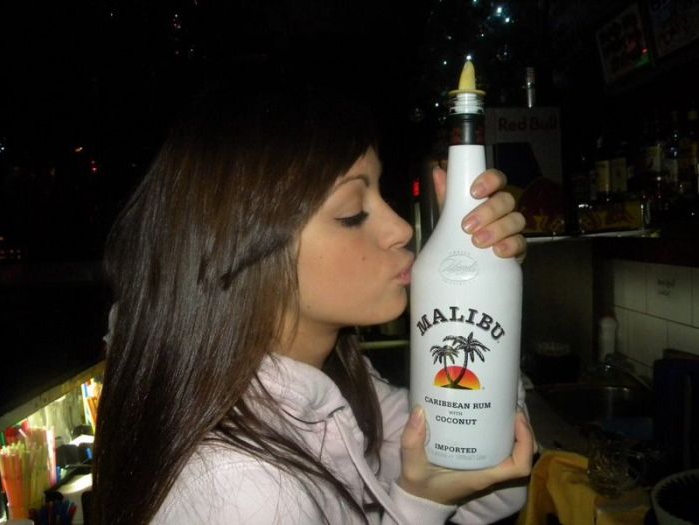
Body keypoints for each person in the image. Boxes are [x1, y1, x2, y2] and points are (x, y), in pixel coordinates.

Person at [91, 84, 534, 524]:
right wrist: (418, 505)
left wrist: (488, 290)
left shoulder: (334, 385)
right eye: (352, 212)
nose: (401, 229)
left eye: (381, 194)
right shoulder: (243, 492)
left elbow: (485, 486)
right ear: (240, 248)